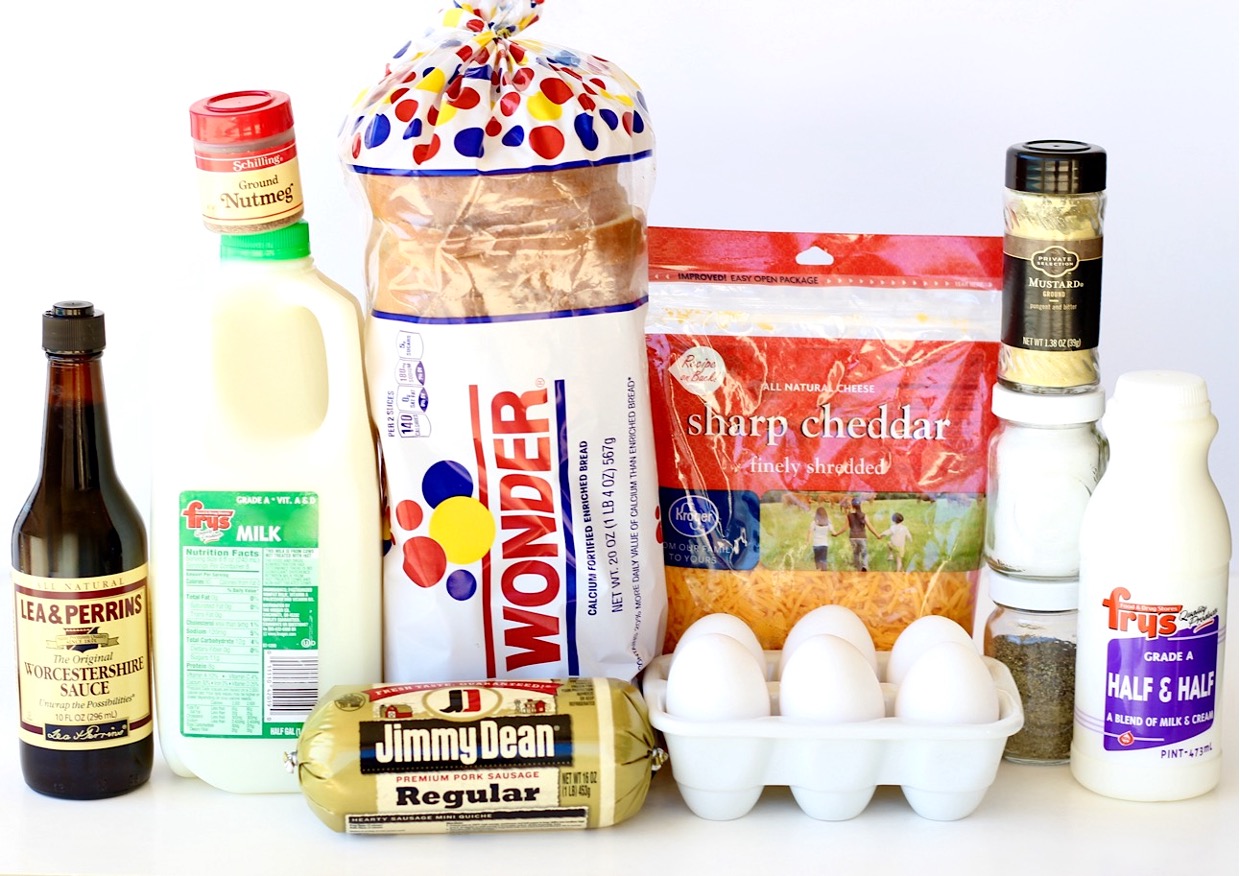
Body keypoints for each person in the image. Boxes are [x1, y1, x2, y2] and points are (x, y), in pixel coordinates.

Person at [845, 497, 880, 571]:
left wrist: (836, 534)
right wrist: (877, 535)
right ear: (860, 505)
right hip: (862, 537)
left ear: (852, 505)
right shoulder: (863, 515)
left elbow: (845, 527)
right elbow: (870, 526)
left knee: (856, 553)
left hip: (853, 537)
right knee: (864, 553)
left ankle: (858, 568)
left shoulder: (849, 515)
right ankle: (865, 566)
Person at [806, 505, 841, 571]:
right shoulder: (828, 522)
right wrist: (836, 534)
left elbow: (810, 532)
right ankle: (824, 573)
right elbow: (834, 532)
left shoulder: (814, 522)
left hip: (816, 545)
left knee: (817, 561)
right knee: (823, 560)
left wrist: (807, 542)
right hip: (824, 544)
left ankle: (819, 572)